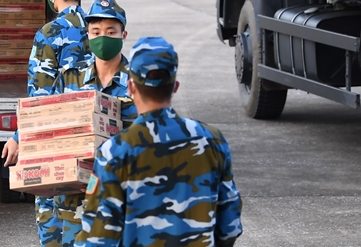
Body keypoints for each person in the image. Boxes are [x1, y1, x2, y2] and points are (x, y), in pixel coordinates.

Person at [76, 37, 243, 247]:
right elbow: (230, 226)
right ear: (175, 87)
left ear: (130, 87)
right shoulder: (212, 141)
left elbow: (97, 239)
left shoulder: (115, 152)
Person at [5, 0, 137, 247]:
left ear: (123, 34)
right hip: (71, 193)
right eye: (96, 32)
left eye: (111, 32)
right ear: (87, 34)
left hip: (115, 192)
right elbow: (47, 116)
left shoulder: (135, 83)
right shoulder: (71, 76)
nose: (103, 38)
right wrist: (18, 137)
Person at [0, 0, 88, 247]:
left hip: (54, 139)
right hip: (87, 135)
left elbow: (40, 97)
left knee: (52, 221)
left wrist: (18, 138)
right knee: (81, 217)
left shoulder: (50, 34)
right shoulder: (96, 28)